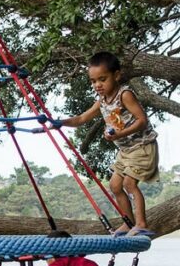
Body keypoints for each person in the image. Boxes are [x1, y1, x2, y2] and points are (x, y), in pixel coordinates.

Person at [52, 51, 158, 235]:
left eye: (102, 79)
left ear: (116, 75)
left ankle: (141, 224)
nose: (97, 85)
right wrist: (60, 122)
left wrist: (120, 133)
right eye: (93, 81)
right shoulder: (102, 101)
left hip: (142, 147)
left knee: (129, 184)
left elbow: (142, 120)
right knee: (115, 186)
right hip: (126, 151)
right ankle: (128, 222)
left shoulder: (125, 95)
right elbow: (82, 118)